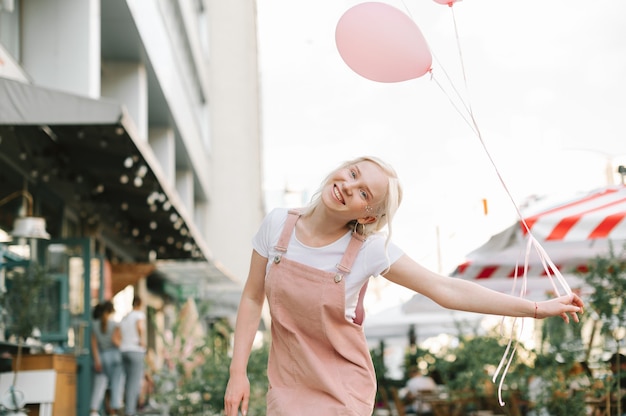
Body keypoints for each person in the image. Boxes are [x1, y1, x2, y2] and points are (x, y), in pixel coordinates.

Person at [223, 156, 584, 416]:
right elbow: (253, 298)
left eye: (364, 193)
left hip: (342, 392)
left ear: (367, 216)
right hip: (287, 387)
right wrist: (237, 372)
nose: (348, 186)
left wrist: (537, 309)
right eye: (352, 173)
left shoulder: (368, 251)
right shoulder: (276, 226)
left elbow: (445, 289)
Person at [90, 300, 123, 416]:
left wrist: (97, 360)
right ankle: (114, 410)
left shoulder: (94, 325)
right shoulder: (115, 324)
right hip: (115, 357)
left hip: (102, 357)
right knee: (116, 383)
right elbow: (116, 341)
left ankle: (94, 410)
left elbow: (94, 345)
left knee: (100, 384)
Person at [119, 296, 147, 416]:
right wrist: (141, 340)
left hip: (123, 350)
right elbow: (139, 327)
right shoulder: (139, 315)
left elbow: (119, 333)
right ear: (140, 304)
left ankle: (126, 408)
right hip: (135, 350)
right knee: (134, 381)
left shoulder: (125, 317)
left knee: (126, 380)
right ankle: (130, 411)